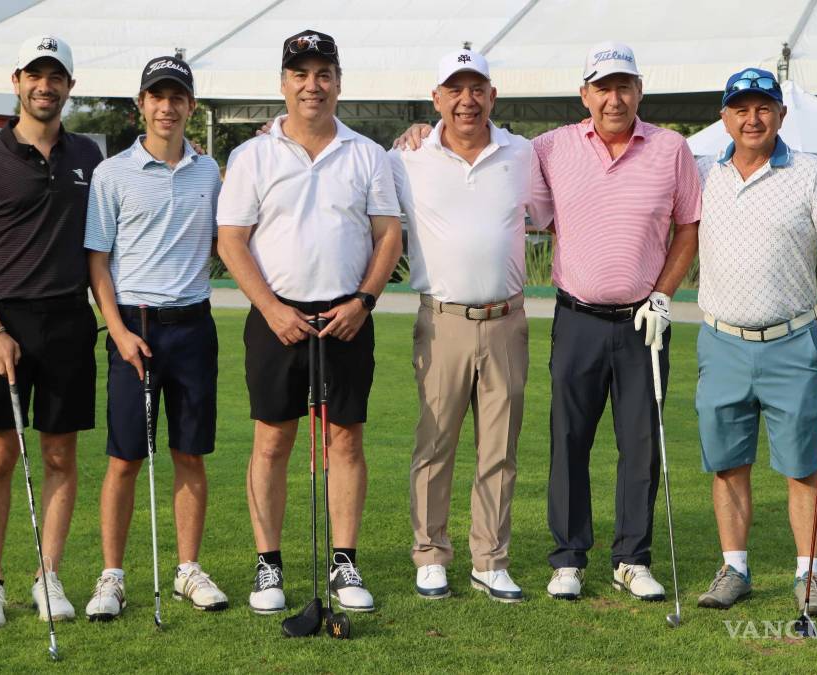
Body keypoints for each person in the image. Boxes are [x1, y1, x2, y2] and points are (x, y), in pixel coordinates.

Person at [402, 41, 701, 602]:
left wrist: (664, 294)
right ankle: (565, 558)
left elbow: (688, 225)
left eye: (624, 86)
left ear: (639, 91)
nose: (614, 99)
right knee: (567, 440)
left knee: (638, 443)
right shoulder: (546, 148)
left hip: (642, 318)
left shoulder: (668, 149)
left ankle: (630, 559)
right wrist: (418, 130)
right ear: (584, 95)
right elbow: (458, 144)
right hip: (573, 317)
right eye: (602, 88)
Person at [216, 30, 402, 615]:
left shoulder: (367, 153)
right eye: (300, 74)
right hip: (276, 318)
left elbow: (388, 236)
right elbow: (231, 242)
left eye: (323, 74)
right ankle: (267, 565)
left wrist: (364, 301)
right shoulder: (252, 155)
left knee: (344, 439)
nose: (312, 85)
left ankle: (344, 561)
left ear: (339, 84)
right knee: (272, 440)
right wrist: (271, 309)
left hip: (347, 314)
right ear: (283, 83)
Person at [692, 68, 817, 616]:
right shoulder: (700, 172)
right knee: (727, 463)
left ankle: (808, 574)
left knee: (801, 466)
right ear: (724, 117)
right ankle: (734, 569)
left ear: (780, 115)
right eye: (740, 108)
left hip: (791, 342)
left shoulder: (809, 172)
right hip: (721, 341)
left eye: (763, 107)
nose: (752, 118)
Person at [0, 35, 102, 630]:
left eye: (56, 77)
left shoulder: (89, 155)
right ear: (17, 81)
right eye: (35, 76)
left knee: (61, 454)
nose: (45, 86)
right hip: (3, 323)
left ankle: (48, 575)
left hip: (68, 321)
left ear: (69, 86)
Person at [391, 47, 552, 602]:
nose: (467, 99)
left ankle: (490, 558)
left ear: (493, 96)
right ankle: (431, 553)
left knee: (499, 448)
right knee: (435, 443)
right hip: (442, 321)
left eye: (476, 87)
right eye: (454, 89)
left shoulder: (523, 154)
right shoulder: (406, 158)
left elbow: (556, 212)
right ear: (436, 99)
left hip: (506, 319)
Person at [81, 55, 228, 620]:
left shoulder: (210, 172)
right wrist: (116, 332)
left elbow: (228, 239)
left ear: (191, 106)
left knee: (189, 453)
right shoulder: (111, 173)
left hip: (193, 327)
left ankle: (188, 568)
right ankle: (111, 576)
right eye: (156, 96)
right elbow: (97, 262)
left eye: (177, 97)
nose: (167, 107)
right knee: (124, 459)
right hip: (133, 331)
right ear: (140, 104)